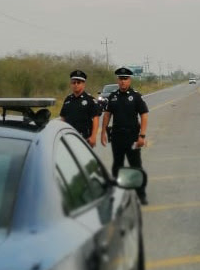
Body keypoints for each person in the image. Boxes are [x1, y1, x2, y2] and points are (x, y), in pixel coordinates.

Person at [101, 67, 149, 204]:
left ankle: (141, 194)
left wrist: (142, 136)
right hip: (117, 137)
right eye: (120, 79)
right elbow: (107, 115)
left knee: (136, 166)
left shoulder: (135, 96)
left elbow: (144, 115)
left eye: (125, 79)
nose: (122, 82)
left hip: (132, 137)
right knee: (117, 166)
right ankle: (118, 195)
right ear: (117, 80)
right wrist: (103, 132)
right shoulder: (113, 96)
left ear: (130, 80)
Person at [59, 69, 100, 146]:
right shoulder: (68, 99)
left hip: (85, 138)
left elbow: (95, 118)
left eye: (78, 82)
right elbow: (63, 118)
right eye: (74, 83)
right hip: (69, 138)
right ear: (71, 84)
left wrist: (93, 136)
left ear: (83, 84)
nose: (76, 85)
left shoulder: (90, 100)